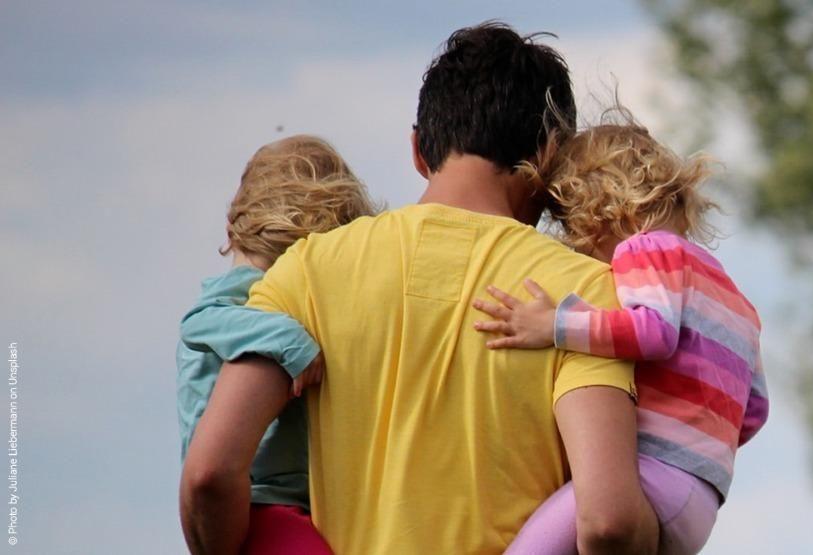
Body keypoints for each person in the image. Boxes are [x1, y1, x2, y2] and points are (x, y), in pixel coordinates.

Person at [179, 22, 659, 555]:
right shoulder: (586, 297)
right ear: (550, 157)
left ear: (418, 149)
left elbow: (209, 474)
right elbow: (608, 521)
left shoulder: (307, 269)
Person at [470, 120, 767, 554]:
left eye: (571, 227)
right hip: (702, 501)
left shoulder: (646, 250)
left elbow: (654, 333)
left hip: (655, 476)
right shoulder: (737, 299)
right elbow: (754, 410)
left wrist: (554, 324)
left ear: (598, 214)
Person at [177, 134, 378, 554]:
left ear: (231, 228)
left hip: (287, 506)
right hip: (260, 503)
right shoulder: (234, 298)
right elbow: (198, 323)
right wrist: (288, 340)